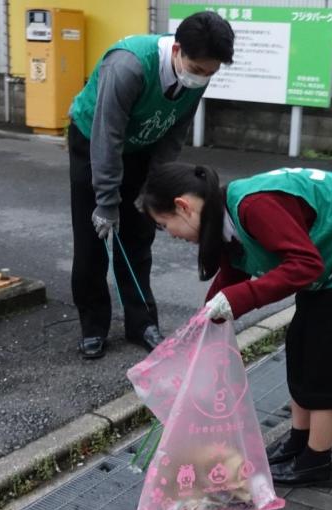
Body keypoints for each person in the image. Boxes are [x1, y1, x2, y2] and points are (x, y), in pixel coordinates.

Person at [139, 164, 332, 488]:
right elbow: (235, 269)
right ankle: (298, 441)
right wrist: (206, 319)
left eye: (164, 224)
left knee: (325, 354)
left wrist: (240, 299)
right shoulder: (222, 212)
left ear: (183, 206)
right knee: (301, 344)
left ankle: (316, 461)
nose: (169, 234)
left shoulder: (253, 206)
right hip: (331, 252)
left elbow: (305, 266)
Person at [67, 12, 235, 358]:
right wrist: (106, 201)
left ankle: (141, 321)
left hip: (143, 148)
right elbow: (107, 137)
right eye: (197, 69)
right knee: (92, 241)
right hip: (92, 143)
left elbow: (174, 133)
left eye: (210, 73)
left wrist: (154, 189)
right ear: (176, 50)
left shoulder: (197, 77)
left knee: (138, 236)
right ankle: (93, 325)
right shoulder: (128, 67)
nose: (201, 78)